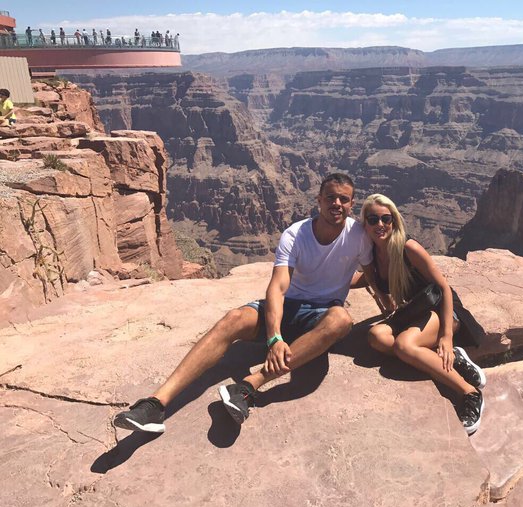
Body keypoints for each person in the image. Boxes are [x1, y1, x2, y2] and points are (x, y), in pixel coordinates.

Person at [113, 173, 376, 433]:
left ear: (352, 204)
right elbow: (278, 287)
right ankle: (155, 404)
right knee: (233, 319)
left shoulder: (359, 236)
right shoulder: (296, 234)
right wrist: (274, 338)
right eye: (330, 197)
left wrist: (382, 306)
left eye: (344, 199)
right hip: (289, 308)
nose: (337, 204)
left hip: (320, 317)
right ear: (319, 200)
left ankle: (248, 386)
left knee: (341, 320)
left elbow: (373, 277)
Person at [356, 193, 486, 434]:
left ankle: (469, 392)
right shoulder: (371, 252)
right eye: (373, 219)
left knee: (404, 346)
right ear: (365, 223)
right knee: (377, 337)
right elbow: (366, 279)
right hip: (414, 312)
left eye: (386, 218)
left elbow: (444, 288)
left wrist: (446, 337)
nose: (380, 224)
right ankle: (447, 357)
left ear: (394, 220)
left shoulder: (408, 248)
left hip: (441, 309)